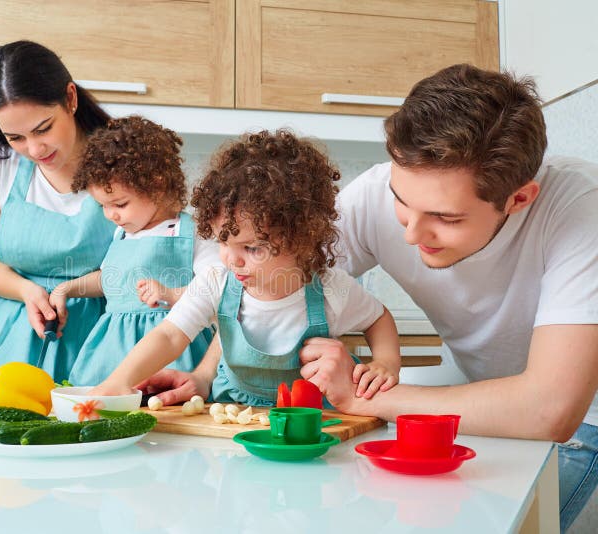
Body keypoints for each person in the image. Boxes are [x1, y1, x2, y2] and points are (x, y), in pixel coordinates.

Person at [297, 64, 598, 533]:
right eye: (402, 201)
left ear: (519, 199)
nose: (412, 232)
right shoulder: (379, 192)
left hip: (583, 424)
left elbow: (550, 410)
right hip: (472, 404)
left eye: (445, 218)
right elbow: (271, 285)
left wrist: (366, 399)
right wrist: (201, 369)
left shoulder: (580, 207)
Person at [91, 130, 402, 405]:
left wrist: (386, 362)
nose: (232, 259)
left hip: (308, 418)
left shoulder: (331, 288)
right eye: (223, 242)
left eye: (252, 248)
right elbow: (170, 335)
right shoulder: (216, 281)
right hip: (233, 409)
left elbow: (378, 318)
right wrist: (119, 382)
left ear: (302, 239)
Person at [0, 41, 116, 386]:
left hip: (102, 336)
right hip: (13, 335)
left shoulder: (122, 161)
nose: (34, 149)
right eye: (15, 136)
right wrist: (26, 291)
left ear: (70, 99)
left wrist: (73, 289)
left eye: (43, 128)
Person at [48, 116, 220, 386]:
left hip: (172, 353)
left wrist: (173, 295)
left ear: (157, 185)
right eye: (103, 206)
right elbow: (109, 279)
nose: (110, 215)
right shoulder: (122, 234)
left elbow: (217, 289)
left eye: (119, 203)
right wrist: (67, 289)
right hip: (111, 357)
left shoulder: (191, 231)